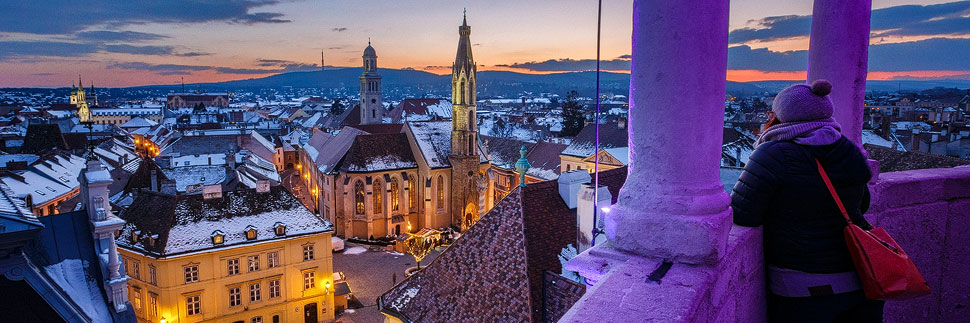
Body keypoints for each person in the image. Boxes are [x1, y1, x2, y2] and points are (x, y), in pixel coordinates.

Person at [731, 80, 884, 322]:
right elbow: (861, 204)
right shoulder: (848, 149)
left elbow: (742, 214)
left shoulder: (773, 154)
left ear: (783, 116)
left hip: (802, 282)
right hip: (861, 277)